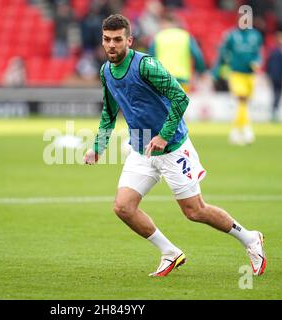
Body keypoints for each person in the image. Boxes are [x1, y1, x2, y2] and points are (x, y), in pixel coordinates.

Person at [83, 14, 266, 277]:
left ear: (129, 40)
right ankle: (170, 252)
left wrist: (165, 136)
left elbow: (181, 97)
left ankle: (250, 238)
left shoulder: (146, 66)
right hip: (141, 150)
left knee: (195, 211)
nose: (111, 45)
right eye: (107, 39)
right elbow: (109, 113)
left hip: (173, 148)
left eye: (117, 40)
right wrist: (98, 147)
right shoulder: (105, 72)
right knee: (123, 207)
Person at [212, 21, 263, 145]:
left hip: (250, 75)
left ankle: (235, 131)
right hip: (236, 74)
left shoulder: (256, 35)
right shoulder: (232, 35)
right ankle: (247, 130)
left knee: (243, 104)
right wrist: (218, 69)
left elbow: (258, 53)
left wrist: (257, 62)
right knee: (242, 100)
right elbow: (223, 51)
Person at [149, 12, 206, 92]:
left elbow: (150, 59)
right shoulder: (186, 36)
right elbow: (197, 55)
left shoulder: (158, 37)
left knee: (165, 104)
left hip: (163, 79)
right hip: (183, 79)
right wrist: (201, 71)